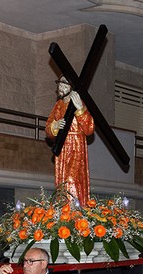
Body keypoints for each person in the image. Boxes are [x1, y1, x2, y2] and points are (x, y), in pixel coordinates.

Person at [45, 76, 95, 206]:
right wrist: (54, 126)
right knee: (62, 183)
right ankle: (63, 210)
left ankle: (74, 211)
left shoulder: (79, 102)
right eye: (59, 83)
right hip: (62, 149)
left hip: (76, 147)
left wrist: (80, 110)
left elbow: (89, 128)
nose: (60, 86)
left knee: (72, 180)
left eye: (64, 83)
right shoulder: (58, 106)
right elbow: (48, 128)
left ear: (71, 86)